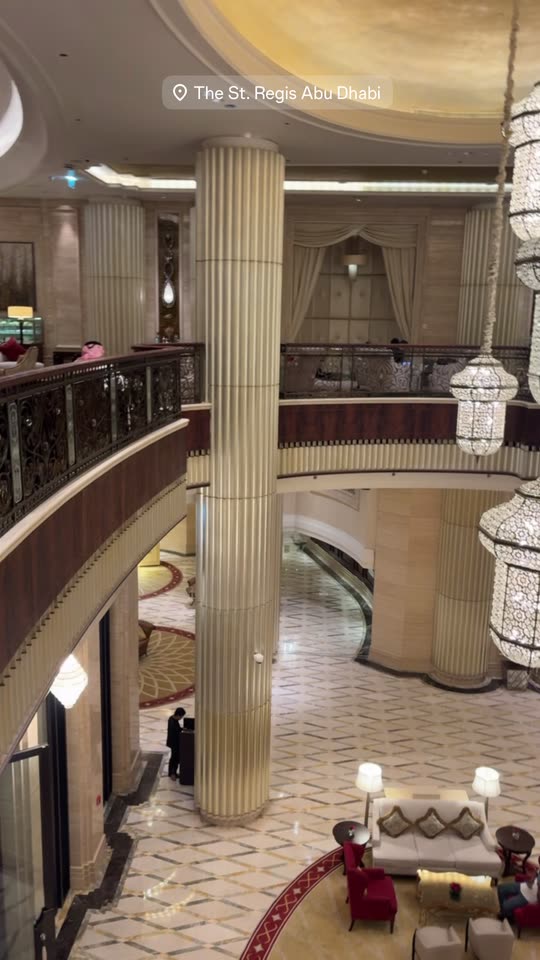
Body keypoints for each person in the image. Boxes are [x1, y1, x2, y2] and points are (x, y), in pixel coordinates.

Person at [166, 707, 186, 779]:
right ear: (178, 715)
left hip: (175, 743)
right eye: (181, 716)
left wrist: (182, 729)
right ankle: (172, 773)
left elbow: (178, 729)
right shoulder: (172, 722)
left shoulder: (172, 719)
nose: (181, 718)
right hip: (174, 743)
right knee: (174, 758)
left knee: (176, 758)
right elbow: (175, 733)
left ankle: (173, 772)